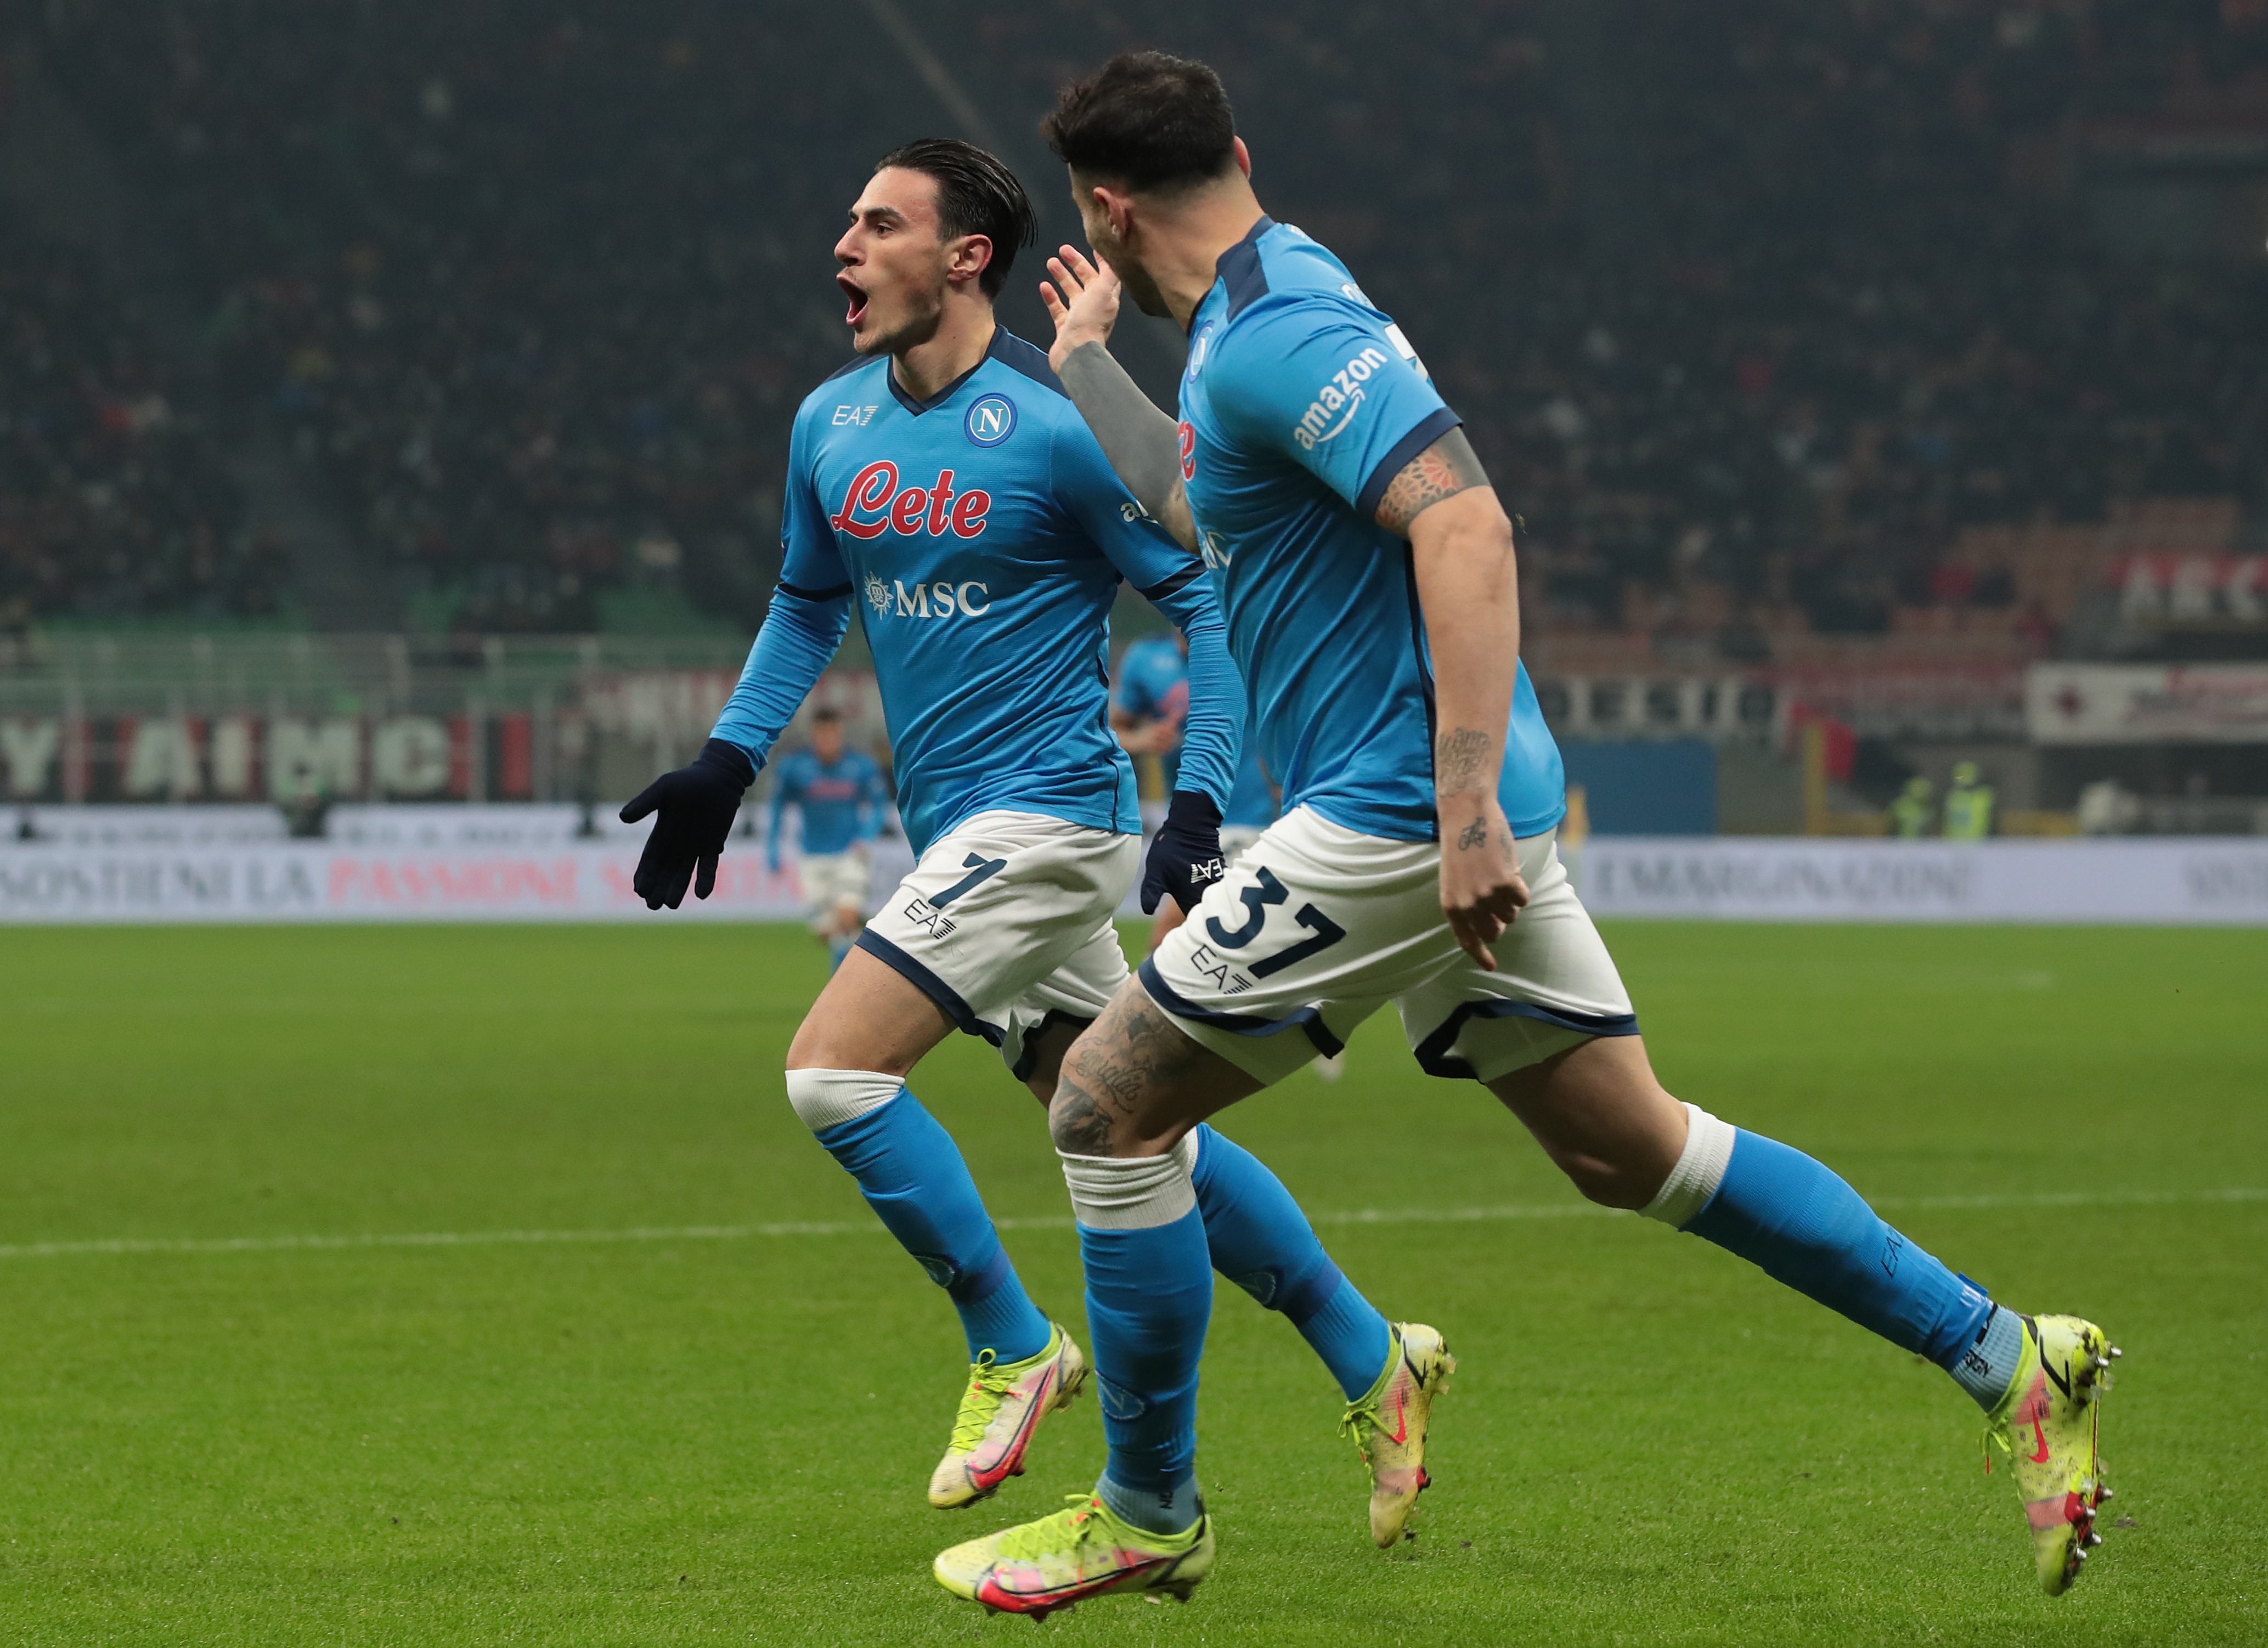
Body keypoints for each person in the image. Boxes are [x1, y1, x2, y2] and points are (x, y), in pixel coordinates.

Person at [933, 54, 2118, 1617]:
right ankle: (2004, 1354)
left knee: (1100, 1104)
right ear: (1233, 150)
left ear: (1103, 203)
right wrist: (1086, 367)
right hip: (1427, 805)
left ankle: (1147, 1507)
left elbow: (1466, 522)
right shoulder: (1270, 298)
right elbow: (1196, 507)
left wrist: (1466, 803)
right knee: (1627, 1145)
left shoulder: (1281, 332)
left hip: (1397, 811)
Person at [618, 138, 1426, 1530]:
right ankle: (1377, 1356)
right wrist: (728, 757)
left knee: (830, 1076)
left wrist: (1200, 801)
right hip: (948, 831)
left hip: (1047, 818)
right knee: (1123, 1116)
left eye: (878, 227)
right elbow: (811, 602)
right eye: (847, 226)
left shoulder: (1053, 423)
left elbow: (1209, 599)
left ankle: (1010, 1343)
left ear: (965, 257)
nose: (844, 251)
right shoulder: (830, 424)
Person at [766, 707, 891, 970]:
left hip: (850, 854)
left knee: (845, 918)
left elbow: (880, 805)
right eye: (822, 735)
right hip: (812, 857)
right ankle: (875, 940)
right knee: (828, 933)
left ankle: (846, 990)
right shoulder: (796, 767)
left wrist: (866, 836)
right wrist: (772, 848)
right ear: (814, 735)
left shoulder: (860, 766)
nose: (827, 741)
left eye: (832, 734)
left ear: (840, 733)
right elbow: (777, 807)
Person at [1112, 628, 1189, 792]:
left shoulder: (1244, 649)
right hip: (1182, 799)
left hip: (1250, 809)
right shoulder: (1146, 657)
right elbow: (1114, 733)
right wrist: (1143, 739)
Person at [1943, 761, 1996, 840]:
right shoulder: (1953, 796)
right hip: (1954, 842)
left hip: (1980, 842)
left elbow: (1994, 821)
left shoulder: (1985, 795)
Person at [1892, 774, 1934, 839]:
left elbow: (1932, 828)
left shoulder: (1929, 808)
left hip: (1922, 844)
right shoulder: (1901, 805)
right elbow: (1891, 824)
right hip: (1901, 843)